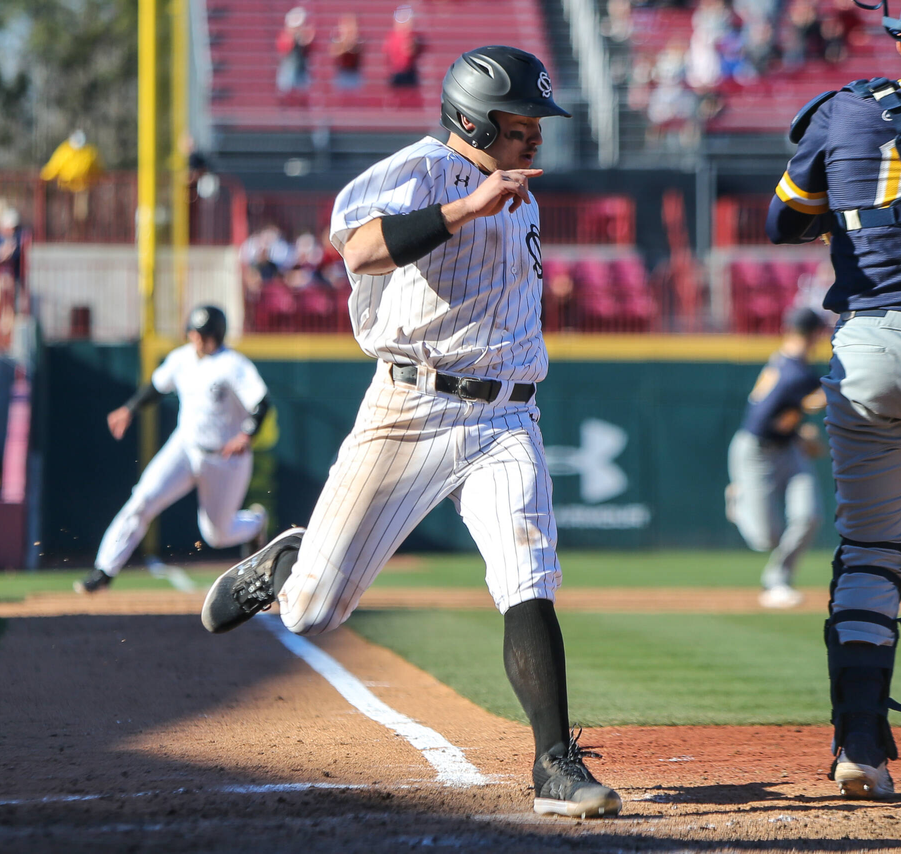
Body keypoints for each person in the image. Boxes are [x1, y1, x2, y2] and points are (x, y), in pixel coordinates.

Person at [200, 46, 622, 820]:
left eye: (537, 122)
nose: (536, 136)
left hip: (506, 414)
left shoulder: (518, 193)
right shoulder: (426, 169)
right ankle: (289, 560)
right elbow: (356, 248)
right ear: (473, 119)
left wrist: (493, 200)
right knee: (312, 612)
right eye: (521, 122)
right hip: (411, 407)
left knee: (527, 573)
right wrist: (466, 207)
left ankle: (555, 764)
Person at [765, 0, 901, 802]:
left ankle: (860, 746)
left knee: (874, 554)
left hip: (875, 341)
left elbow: (786, 218)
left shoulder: (847, 108)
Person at [73, 305, 271, 594]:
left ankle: (255, 523)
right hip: (186, 447)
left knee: (217, 534)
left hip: (225, 460)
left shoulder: (233, 364)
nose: (197, 338)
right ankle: (104, 570)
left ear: (217, 334)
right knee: (142, 500)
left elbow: (261, 403)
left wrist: (247, 434)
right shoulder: (182, 359)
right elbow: (156, 386)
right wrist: (129, 409)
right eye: (194, 332)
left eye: (204, 334)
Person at [726, 307, 828, 609]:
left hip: (788, 448)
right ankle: (739, 500)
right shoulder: (795, 372)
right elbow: (762, 421)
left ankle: (777, 582)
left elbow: (781, 412)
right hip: (756, 452)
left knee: (809, 515)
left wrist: (797, 433)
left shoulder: (784, 361)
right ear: (815, 335)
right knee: (765, 539)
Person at [383, 6, 425, 89]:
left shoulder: (414, 37)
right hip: (397, 72)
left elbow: (416, 50)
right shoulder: (392, 37)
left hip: (409, 73)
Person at [276, 7, 315, 93]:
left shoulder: (304, 35)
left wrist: (304, 36)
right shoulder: (285, 35)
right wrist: (291, 35)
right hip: (289, 70)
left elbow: (310, 47)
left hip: (301, 70)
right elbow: (284, 50)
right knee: (287, 94)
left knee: (302, 94)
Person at [330, 14, 364, 91]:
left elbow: (356, 50)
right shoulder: (338, 40)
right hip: (342, 73)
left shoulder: (358, 40)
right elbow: (334, 52)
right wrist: (344, 40)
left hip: (354, 73)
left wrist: (351, 39)